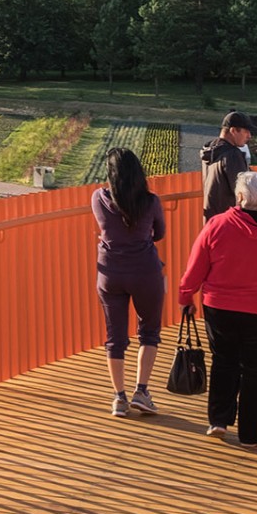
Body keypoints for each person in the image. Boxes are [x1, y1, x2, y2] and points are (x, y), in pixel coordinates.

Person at [179, 170, 257, 448]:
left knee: (224, 361)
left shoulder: (217, 225)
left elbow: (196, 265)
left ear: (239, 197)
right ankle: (251, 434)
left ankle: (219, 420)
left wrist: (186, 296)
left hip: (220, 308)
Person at [92, 147, 166, 418]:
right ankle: (141, 392)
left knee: (115, 337)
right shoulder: (151, 201)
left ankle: (119, 398)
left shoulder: (99, 198)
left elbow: (107, 227)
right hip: (145, 271)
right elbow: (159, 233)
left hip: (110, 273)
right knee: (149, 332)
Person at [200, 111, 257, 220]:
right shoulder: (232, 155)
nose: (249, 136)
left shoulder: (211, 150)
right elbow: (244, 193)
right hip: (230, 221)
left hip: (212, 220)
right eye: (246, 131)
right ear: (233, 130)